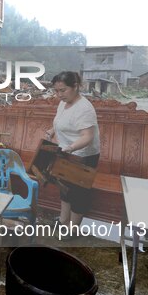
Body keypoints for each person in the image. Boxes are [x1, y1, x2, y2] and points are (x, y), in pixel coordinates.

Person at [44, 71, 100, 239]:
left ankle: (72, 228)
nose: (59, 94)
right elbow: (61, 121)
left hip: (82, 155)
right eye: (56, 91)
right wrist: (52, 131)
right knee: (65, 188)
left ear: (76, 87)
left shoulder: (84, 108)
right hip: (66, 151)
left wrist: (70, 148)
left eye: (63, 90)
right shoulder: (64, 102)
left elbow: (87, 137)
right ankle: (63, 221)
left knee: (78, 193)